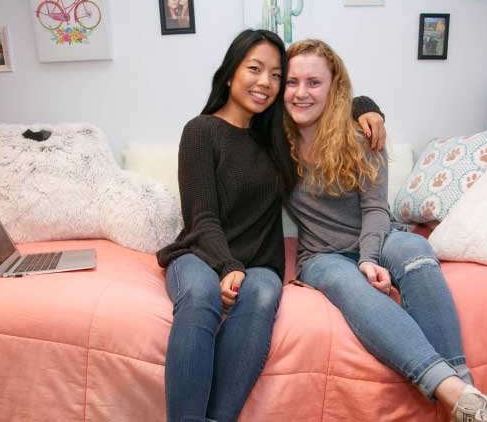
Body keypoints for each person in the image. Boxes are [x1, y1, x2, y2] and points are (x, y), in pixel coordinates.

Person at [281, 39, 487, 422]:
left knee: (415, 252)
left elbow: (374, 208)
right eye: (292, 82)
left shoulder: (363, 137)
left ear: (334, 87)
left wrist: (369, 258)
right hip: (322, 255)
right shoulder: (273, 144)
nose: (301, 92)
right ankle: (465, 399)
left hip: (379, 235)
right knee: (347, 284)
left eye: (314, 82)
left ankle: (467, 401)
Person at [155, 30, 385, 422]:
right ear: (230, 73)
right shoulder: (200, 131)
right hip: (201, 253)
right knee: (199, 294)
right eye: (255, 69)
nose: (266, 82)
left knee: (262, 296)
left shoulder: (277, 135)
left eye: (276, 75)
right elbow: (202, 217)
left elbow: (325, 99)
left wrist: (366, 106)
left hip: (260, 263)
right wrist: (227, 267)